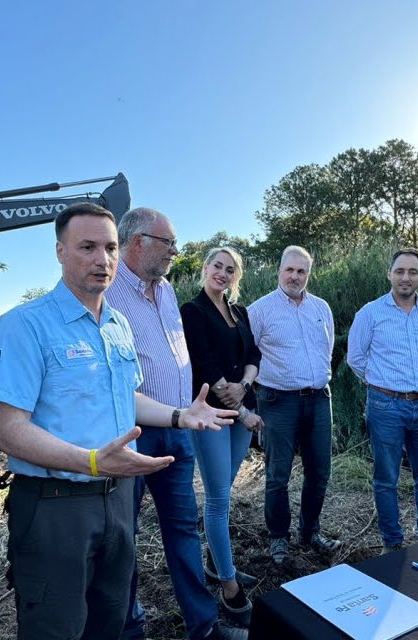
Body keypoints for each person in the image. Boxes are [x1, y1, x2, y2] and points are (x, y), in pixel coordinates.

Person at [0, 203, 235, 640]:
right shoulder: (24, 325)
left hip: (115, 497)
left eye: (110, 248)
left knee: (110, 620)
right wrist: (93, 462)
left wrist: (180, 415)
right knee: (57, 626)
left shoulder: (117, 325)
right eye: (87, 247)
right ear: (60, 251)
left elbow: (128, 397)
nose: (102, 259)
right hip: (56, 503)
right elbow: (7, 431)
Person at [105, 208, 246, 640]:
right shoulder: (107, 289)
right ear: (137, 241)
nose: (174, 251)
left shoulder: (165, 289)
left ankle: (203, 626)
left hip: (177, 429)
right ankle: (128, 626)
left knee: (183, 526)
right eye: (168, 243)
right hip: (132, 434)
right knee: (123, 535)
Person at [180, 247, 263, 626]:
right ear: (205, 268)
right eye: (217, 265)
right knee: (216, 500)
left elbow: (254, 355)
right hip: (212, 414)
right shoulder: (192, 311)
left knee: (224, 493)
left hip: (240, 409)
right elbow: (202, 361)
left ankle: (217, 564)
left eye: (230, 269)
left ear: (236, 276)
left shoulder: (240, 312)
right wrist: (239, 405)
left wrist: (244, 385)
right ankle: (229, 588)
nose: (223, 273)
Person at [247, 246, 340, 565]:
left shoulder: (321, 307)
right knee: (277, 474)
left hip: (318, 399)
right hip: (277, 401)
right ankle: (278, 538)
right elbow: (249, 356)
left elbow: (327, 348)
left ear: (308, 274)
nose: (295, 276)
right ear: (279, 270)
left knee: (320, 472)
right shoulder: (260, 310)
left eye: (301, 271)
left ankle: (311, 531)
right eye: (290, 270)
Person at [347, 248, 418, 551]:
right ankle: (392, 544)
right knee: (386, 478)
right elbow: (356, 358)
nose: (406, 277)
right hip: (385, 406)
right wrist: (382, 384)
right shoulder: (370, 313)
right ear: (389, 274)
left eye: (412, 272)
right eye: (400, 271)